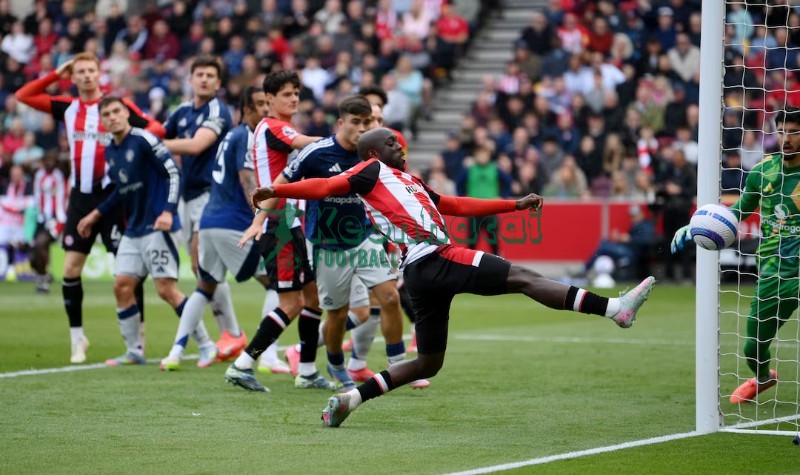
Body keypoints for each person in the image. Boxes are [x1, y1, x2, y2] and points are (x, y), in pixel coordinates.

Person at [250, 127, 656, 427]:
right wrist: (277, 191)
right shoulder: (369, 171)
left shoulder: (410, 180)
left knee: (428, 363)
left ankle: (351, 399)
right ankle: (615, 309)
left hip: (421, 271)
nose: (400, 146)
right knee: (523, 276)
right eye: (392, 142)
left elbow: (457, 204)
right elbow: (323, 186)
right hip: (437, 258)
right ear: (373, 151)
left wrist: (513, 204)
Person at [14, 52, 164, 364]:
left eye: (90, 70)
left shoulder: (114, 109)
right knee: (70, 269)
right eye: (79, 71)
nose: (85, 76)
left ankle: (138, 337)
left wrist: (134, 153)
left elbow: (155, 128)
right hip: (80, 199)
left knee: (128, 271)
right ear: (73, 76)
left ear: (99, 74)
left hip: (114, 197)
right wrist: (57, 72)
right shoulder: (68, 108)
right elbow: (23, 95)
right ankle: (78, 339)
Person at [255, 95, 408, 391]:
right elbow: (283, 182)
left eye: (368, 122)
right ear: (341, 123)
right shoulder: (316, 153)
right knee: (337, 313)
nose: (362, 128)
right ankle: (336, 364)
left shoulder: (373, 155)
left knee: (390, 297)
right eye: (356, 122)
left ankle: (399, 365)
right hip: (327, 246)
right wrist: (259, 220)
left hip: (364, 239)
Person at [672, 107, 800, 403]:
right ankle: (764, 378)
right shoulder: (763, 172)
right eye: (782, 131)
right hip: (772, 271)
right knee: (752, 349)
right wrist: (694, 228)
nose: (786, 138)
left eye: (793, 131)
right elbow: (738, 212)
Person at [77, 96, 214, 366]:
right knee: (122, 286)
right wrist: (95, 214)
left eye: (117, 111)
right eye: (107, 114)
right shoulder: (111, 152)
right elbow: (121, 190)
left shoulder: (144, 140)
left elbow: (173, 173)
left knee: (166, 289)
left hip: (158, 225)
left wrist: (168, 211)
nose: (113, 117)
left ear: (127, 114)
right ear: (102, 122)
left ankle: (207, 345)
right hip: (134, 229)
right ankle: (134, 350)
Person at [159, 87, 287, 373]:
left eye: (268, 104)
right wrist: (263, 216)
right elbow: (246, 180)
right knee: (277, 284)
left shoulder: (230, 136)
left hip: (209, 223)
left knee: (204, 287)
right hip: (232, 223)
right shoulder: (247, 135)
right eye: (259, 105)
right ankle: (267, 356)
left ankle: (175, 353)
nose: (266, 110)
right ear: (245, 109)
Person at [224, 70, 330, 392]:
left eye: (296, 92)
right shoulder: (273, 127)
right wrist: (339, 145)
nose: (294, 98)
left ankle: (308, 371)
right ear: (269, 99)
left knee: (312, 299)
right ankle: (243, 364)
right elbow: (303, 144)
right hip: (279, 226)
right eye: (286, 93)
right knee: (291, 304)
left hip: (290, 224)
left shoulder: (274, 128)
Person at [162, 54, 238, 365]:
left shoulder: (218, 110)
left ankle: (231, 333)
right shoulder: (180, 111)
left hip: (213, 194)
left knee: (202, 265)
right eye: (200, 74)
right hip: (187, 196)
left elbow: (194, 145)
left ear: (218, 83)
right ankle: (229, 336)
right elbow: (163, 133)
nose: (204, 79)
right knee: (201, 269)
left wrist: (151, 143)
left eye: (210, 75)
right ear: (191, 79)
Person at [30, 150, 67, 293]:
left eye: (53, 160)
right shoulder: (39, 175)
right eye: (48, 160)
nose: (50, 163)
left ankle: (44, 280)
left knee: (41, 243)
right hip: (41, 218)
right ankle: (43, 276)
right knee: (34, 255)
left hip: (56, 219)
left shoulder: (59, 176)